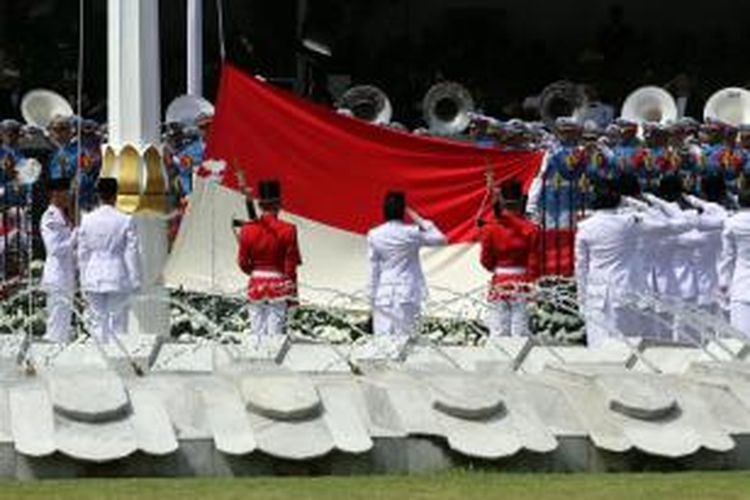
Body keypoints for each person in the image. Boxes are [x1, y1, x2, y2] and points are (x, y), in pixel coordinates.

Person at [367, 191, 447, 337]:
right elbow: (441, 239)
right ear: (402, 210)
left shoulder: (374, 234)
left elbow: (374, 269)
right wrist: (419, 219)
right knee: (407, 340)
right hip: (407, 292)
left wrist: (371, 298)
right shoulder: (410, 232)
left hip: (384, 293)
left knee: (382, 340)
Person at [77, 178, 141, 342]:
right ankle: (116, 360)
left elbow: (82, 253)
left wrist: (83, 278)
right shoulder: (125, 219)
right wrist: (135, 279)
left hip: (93, 273)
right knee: (118, 323)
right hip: (116, 273)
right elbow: (131, 252)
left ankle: (99, 360)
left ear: (98, 195)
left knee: (97, 322)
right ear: (116, 195)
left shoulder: (87, 219)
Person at [236, 179, 301, 336]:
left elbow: (242, 262)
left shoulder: (247, 229)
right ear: (279, 203)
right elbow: (290, 267)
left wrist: (257, 273)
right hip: (278, 282)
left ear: (259, 205)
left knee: (256, 332)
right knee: (275, 334)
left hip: (256, 282)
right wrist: (293, 294)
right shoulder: (289, 229)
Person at [479, 179, 540, 337]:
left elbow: (485, 261)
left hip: (499, 281)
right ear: (521, 200)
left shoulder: (490, 228)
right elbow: (534, 263)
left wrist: (499, 270)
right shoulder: (531, 229)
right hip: (522, 282)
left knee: (498, 331)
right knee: (520, 332)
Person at [40, 178, 77, 342]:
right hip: (57, 275)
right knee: (57, 319)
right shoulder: (50, 217)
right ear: (55, 194)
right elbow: (54, 249)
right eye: (66, 192)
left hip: (66, 273)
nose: (68, 196)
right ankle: (52, 349)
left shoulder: (63, 216)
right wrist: (76, 235)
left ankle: (60, 347)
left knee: (64, 318)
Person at [719, 186, 750, 337]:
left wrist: (723, 284)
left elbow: (727, 256)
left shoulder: (732, 223)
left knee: (741, 342)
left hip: (742, 287)